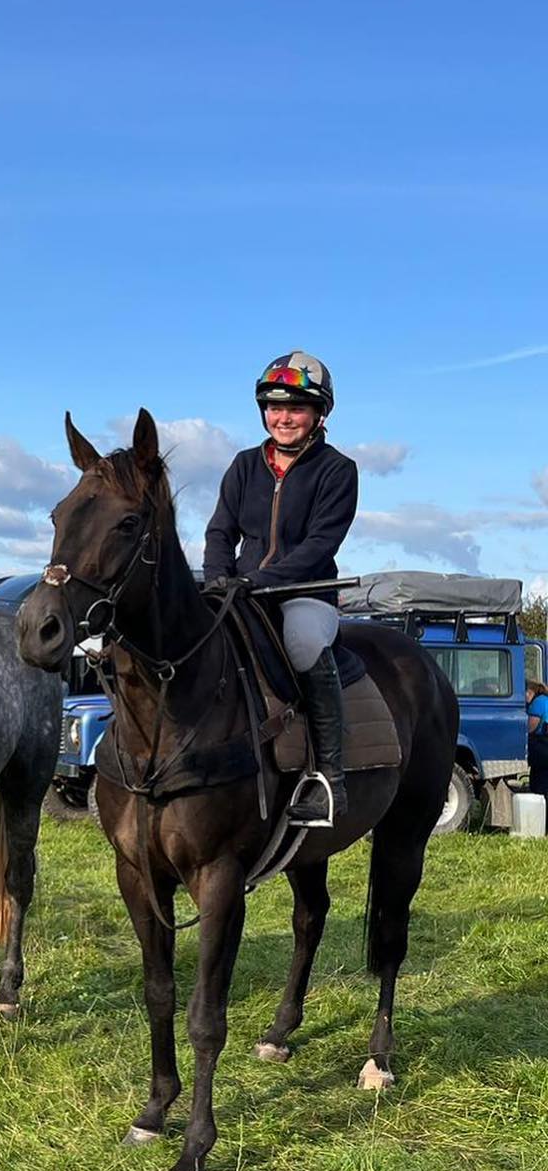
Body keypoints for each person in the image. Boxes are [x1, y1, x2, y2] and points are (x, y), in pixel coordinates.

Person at [203, 351, 358, 827]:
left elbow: (318, 546)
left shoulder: (339, 470)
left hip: (304, 594)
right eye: (274, 406)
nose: (283, 417)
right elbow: (220, 531)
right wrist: (215, 580)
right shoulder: (244, 465)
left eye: (296, 407)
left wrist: (256, 581)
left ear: (319, 413)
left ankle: (329, 777)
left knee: (303, 643)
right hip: (239, 590)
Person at [527, 679, 548, 797]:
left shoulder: (538, 702)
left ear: (531, 692)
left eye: (526, 692)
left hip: (542, 745)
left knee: (540, 784)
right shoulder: (545, 700)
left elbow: (530, 728)